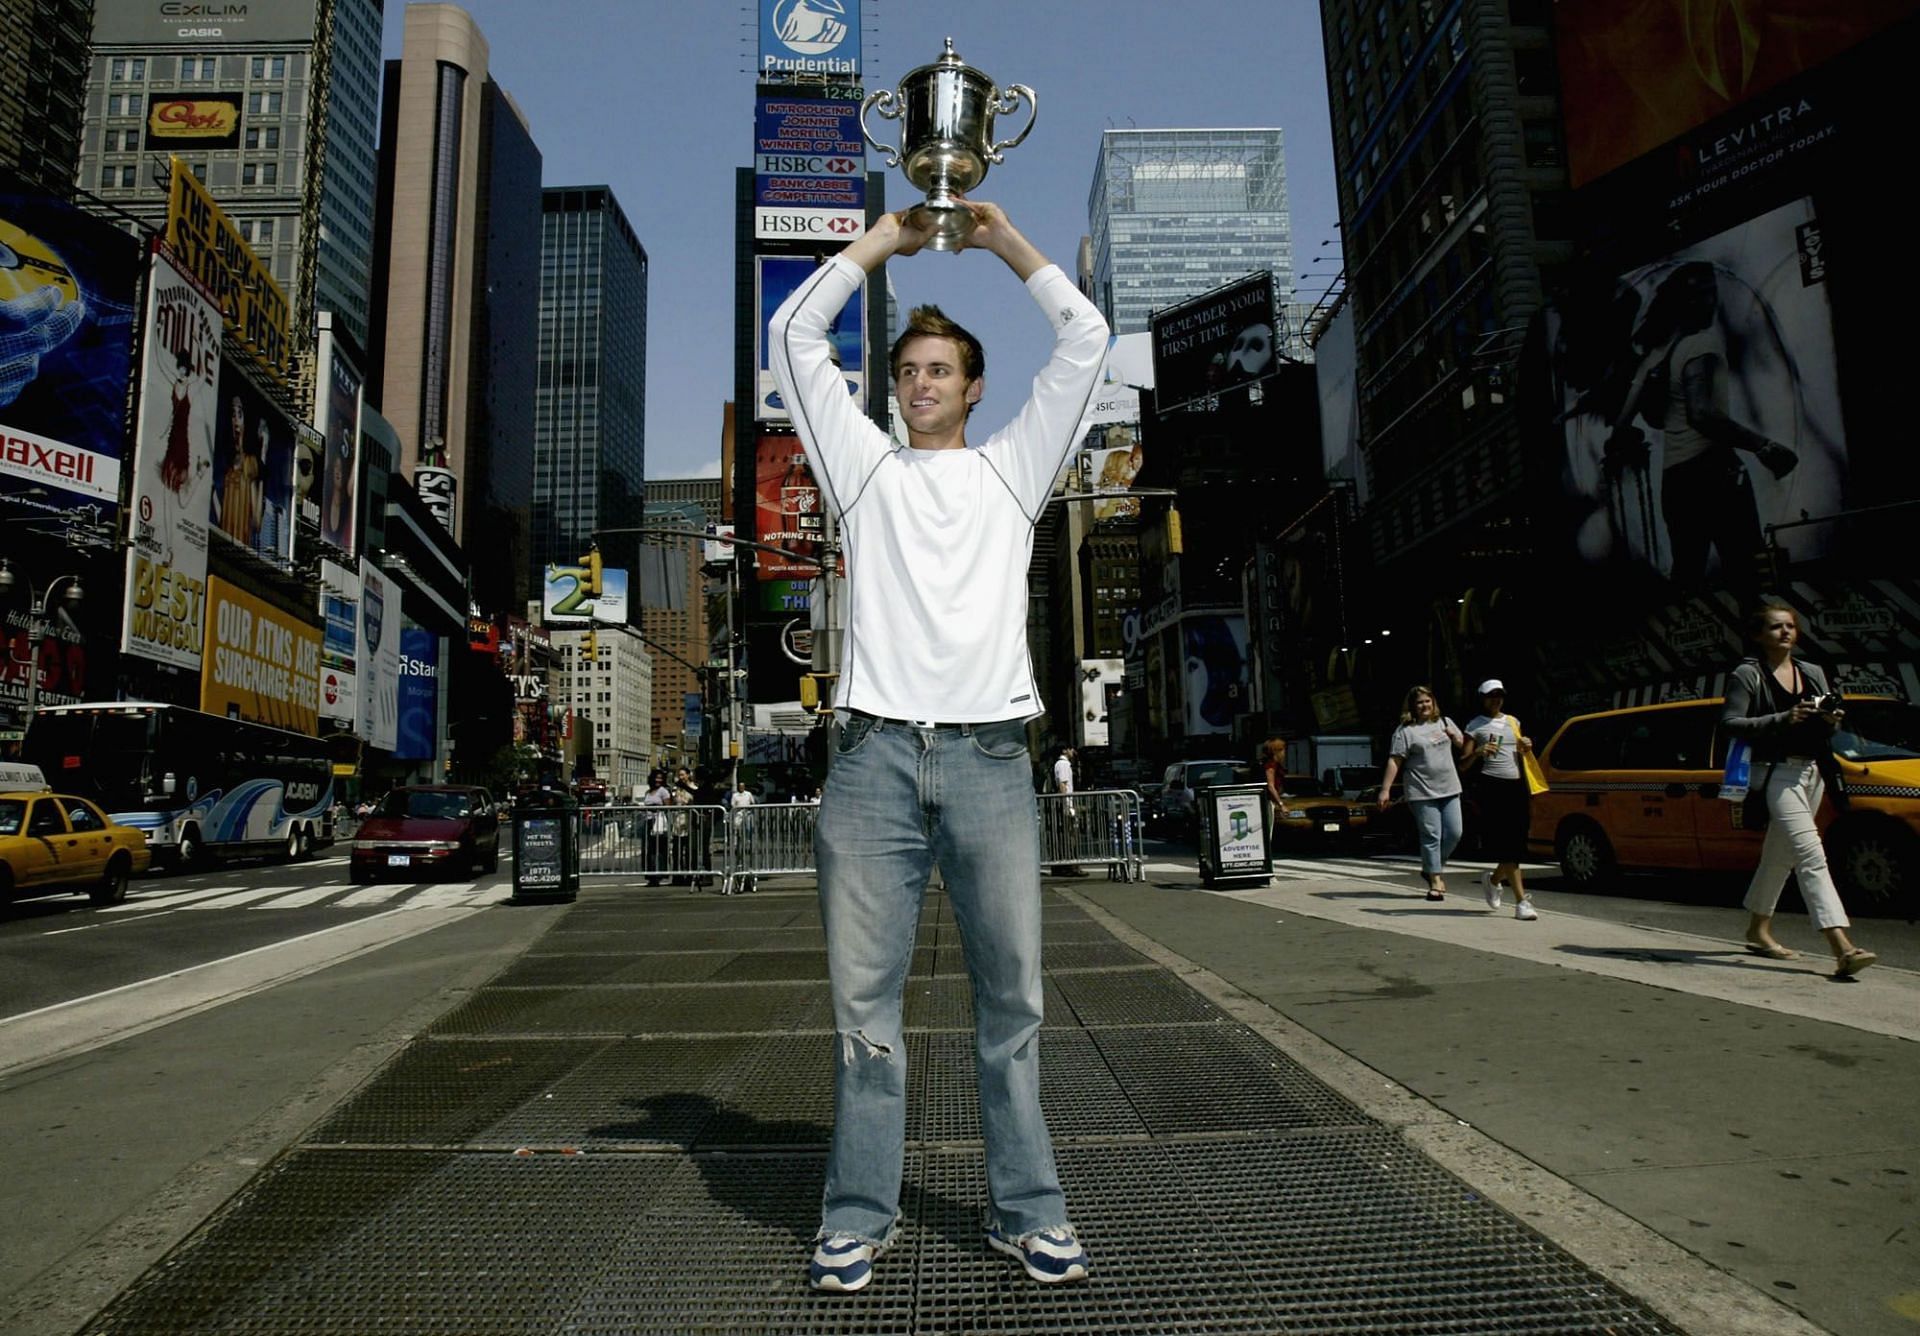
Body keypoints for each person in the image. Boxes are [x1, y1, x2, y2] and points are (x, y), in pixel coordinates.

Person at [768, 197, 1105, 1293]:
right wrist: (882, 246)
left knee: (1013, 1004)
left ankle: (1028, 1210)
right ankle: (860, 1214)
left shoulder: (1013, 472)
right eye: (906, 368)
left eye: (940, 369)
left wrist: (1003, 240)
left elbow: (1087, 339)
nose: (919, 383)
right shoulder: (861, 472)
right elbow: (792, 337)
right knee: (866, 1015)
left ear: (973, 388)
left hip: (990, 765)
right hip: (869, 764)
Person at [1722, 598, 1875, 976]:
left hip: (1812, 771)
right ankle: (1842, 946)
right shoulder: (1748, 674)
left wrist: (1830, 719)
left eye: (1790, 626)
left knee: (1782, 854)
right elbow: (1730, 723)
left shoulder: (1812, 672)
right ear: (1759, 635)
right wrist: (1783, 717)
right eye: (1776, 627)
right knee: (1811, 853)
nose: (1785, 632)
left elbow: (1829, 727)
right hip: (1774, 772)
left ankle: (1758, 929)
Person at [1378, 685, 1472, 900]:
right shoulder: (1405, 731)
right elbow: (1395, 760)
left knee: (1454, 833)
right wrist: (1385, 790)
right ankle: (1436, 880)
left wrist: (1455, 738)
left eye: (1427, 701)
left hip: (1450, 788)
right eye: (1419, 702)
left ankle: (1431, 867)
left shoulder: (1445, 722)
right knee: (1432, 835)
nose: (1424, 705)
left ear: (1433, 702)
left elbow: (1465, 747)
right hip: (1421, 791)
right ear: (1412, 706)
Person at [1462, 680, 1538, 920]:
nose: (1496, 700)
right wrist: (1477, 752)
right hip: (1491, 786)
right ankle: (1521, 902)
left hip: (1516, 784)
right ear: (1482, 698)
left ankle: (1493, 880)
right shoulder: (1475, 726)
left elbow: (1520, 752)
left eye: (1499, 696)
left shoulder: (1513, 721)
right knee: (1508, 843)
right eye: (1491, 696)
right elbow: (1462, 765)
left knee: (1517, 840)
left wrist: (1525, 745)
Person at [1049, 746, 1086, 877]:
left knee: (1067, 835)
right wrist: (1067, 805)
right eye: (1071, 749)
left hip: (1065, 803)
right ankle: (1070, 866)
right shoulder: (1063, 764)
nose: (1073, 752)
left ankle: (1064, 866)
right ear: (1064, 750)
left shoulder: (1060, 764)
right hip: (1066, 804)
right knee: (1070, 836)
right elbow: (1063, 785)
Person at [640, 770, 672, 886]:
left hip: (658, 823)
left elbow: (668, 807)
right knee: (648, 850)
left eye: (660, 778)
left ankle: (658, 874)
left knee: (658, 850)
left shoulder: (663, 791)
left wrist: (656, 808)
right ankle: (650, 875)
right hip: (648, 822)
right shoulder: (648, 792)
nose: (658, 780)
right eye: (656, 778)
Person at [1258, 737, 1288, 852]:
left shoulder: (1268, 764)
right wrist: (1281, 804)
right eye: (1283, 750)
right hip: (1266, 801)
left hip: (1264, 800)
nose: (1284, 753)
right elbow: (1270, 786)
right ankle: (1265, 855)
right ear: (1277, 751)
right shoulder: (1271, 765)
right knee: (1267, 830)